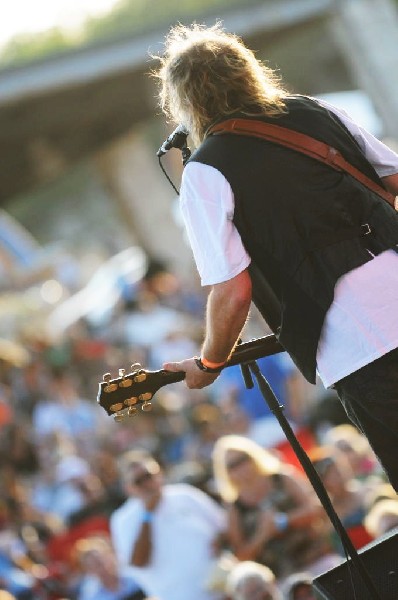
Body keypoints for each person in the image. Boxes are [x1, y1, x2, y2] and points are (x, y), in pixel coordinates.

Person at [155, 23, 398, 491]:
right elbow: (391, 182)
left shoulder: (205, 170)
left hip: (358, 342)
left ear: (185, 102)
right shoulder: (316, 112)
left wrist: (208, 363)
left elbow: (232, 290)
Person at [211, 435, 337, 579]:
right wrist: (263, 534)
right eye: (232, 466)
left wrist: (283, 521)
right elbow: (241, 556)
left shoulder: (281, 478)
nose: (240, 468)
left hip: (316, 558)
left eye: (242, 459)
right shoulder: (234, 508)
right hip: (281, 577)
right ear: (225, 473)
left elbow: (316, 509)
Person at [109, 449, 227, 600]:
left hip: (222, 589)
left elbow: (223, 527)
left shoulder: (185, 495)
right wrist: (148, 515)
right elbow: (138, 562)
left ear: (159, 473)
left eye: (149, 476)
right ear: (128, 488)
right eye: (138, 481)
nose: (147, 484)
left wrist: (219, 541)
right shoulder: (122, 520)